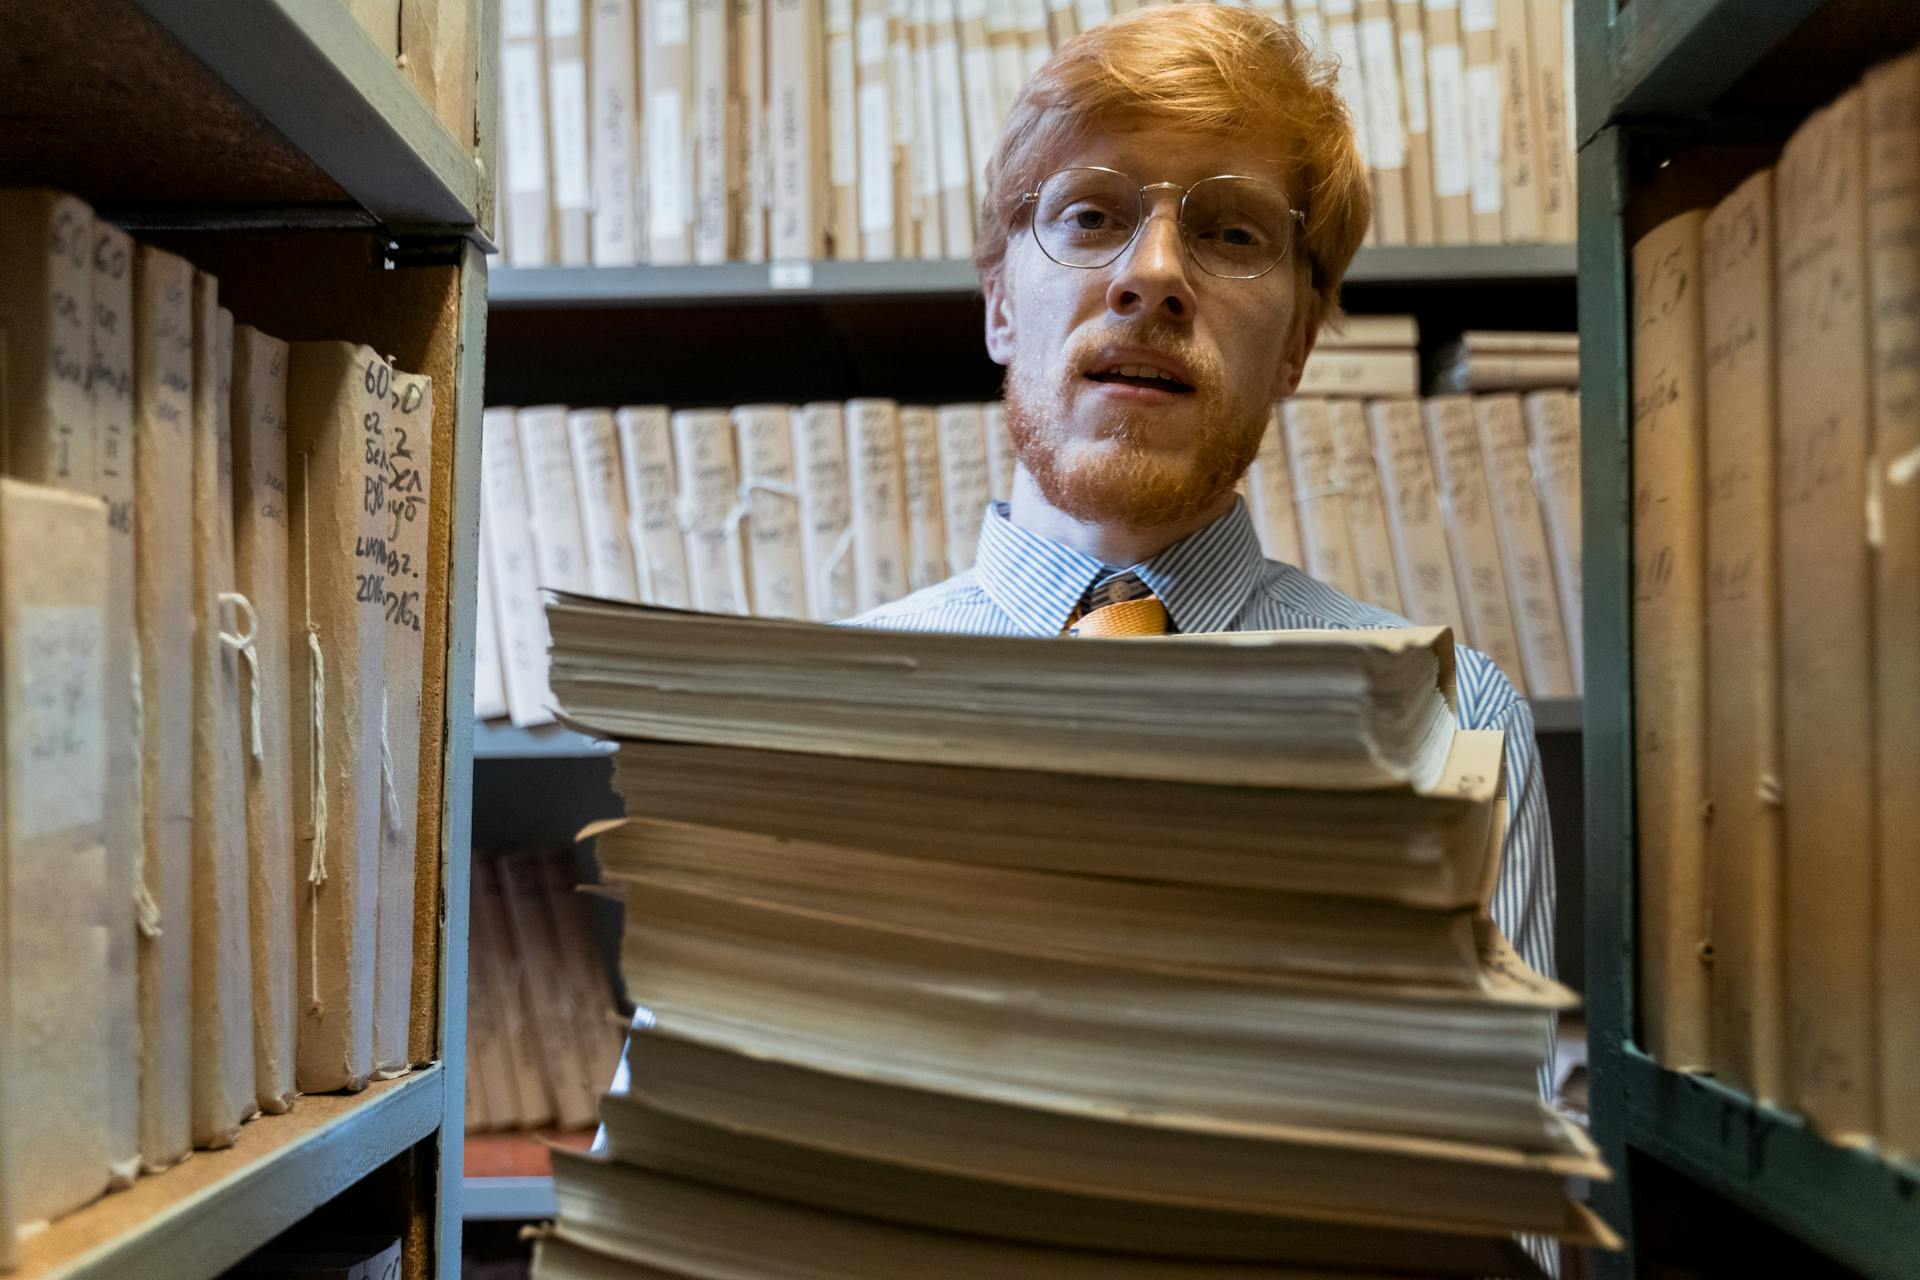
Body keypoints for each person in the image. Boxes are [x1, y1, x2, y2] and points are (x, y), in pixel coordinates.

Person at [850, 5, 1556, 1050]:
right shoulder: (819, 721)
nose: (1155, 274)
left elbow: (1504, 1198)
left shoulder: (1452, 724)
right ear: (1001, 303)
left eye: (1231, 233)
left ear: (1298, 345)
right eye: (1091, 215)